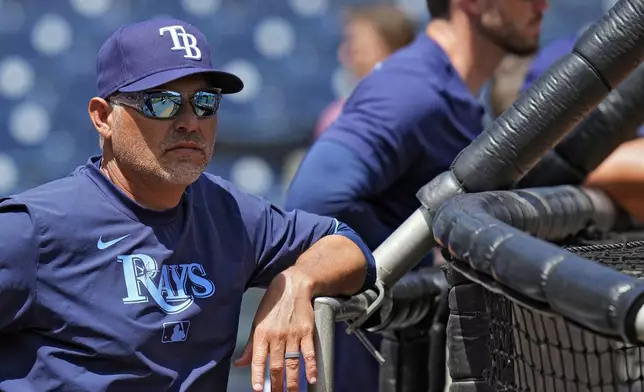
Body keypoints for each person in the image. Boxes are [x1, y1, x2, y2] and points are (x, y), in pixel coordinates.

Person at [0, 18, 377, 392]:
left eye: (204, 102)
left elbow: (347, 244)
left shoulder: (229, 211)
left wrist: (298, 281)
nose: (190, 122)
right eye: (162, 103)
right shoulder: (34, 229)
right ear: (103, 117)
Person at [285, 0, 548, 390]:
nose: (542, 3)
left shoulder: (448, 93)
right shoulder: (411, 90)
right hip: (361, 369)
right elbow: (313, 200)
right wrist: (417, 262)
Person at [314, 3, 416, 137]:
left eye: (355, 49)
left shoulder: (425, 109)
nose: (342, 55)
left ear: (393, 50)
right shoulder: (338, 116)